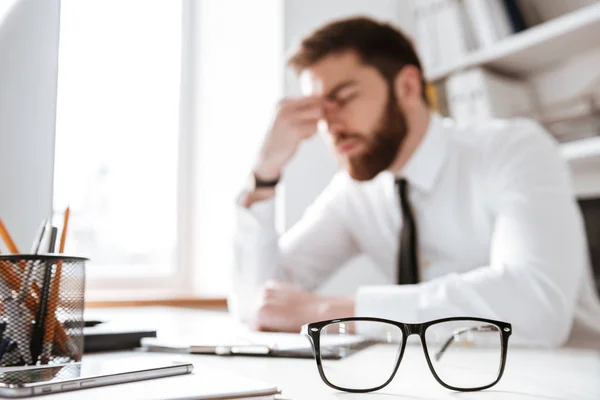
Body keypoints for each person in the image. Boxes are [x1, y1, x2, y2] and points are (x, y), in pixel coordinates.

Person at [230, 16, 600, 346]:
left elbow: (536, 306)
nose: (329, 125)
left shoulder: (513, 149)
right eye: (318, 110)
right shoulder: (354, 194)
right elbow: (258, 304)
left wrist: (334, 310)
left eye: (342, 98)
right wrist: (265, 173)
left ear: (407, 87)